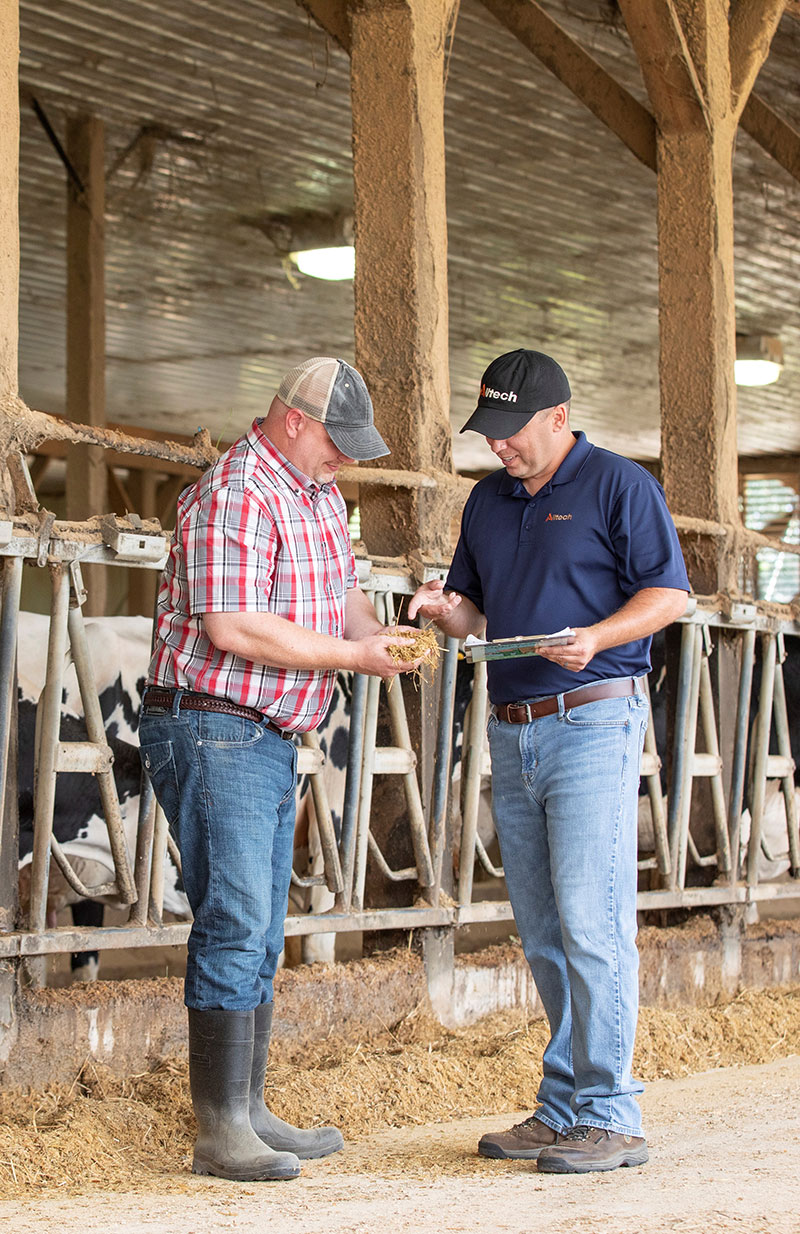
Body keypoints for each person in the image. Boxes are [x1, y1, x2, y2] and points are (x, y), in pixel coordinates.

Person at [138, 357, 425, 1183]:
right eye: (338, 442)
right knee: (234, 914)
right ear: (294, 420)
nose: (346, 459)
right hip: (212, 721)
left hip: (266, 731)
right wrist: (351, 657)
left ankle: (250, 1107)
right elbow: (231, 626)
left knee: (262, 923)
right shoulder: (235, 492)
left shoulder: (318, 495)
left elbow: (341, 598)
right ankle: (220, 1127)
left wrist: (384, 637)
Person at [409, 348, 689, 1174]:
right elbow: (474, 615)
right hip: (513, 722)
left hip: (594, 719)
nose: (500, 446)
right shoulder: (487, 503)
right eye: (490, 432)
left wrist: (598, 638)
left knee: (592, 917)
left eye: (512, 430)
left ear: (559, 418)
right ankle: (565, 1104)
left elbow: (669, 594)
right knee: (541, 926)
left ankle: (611, 1114)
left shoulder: (619, 485)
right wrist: (440, 608)